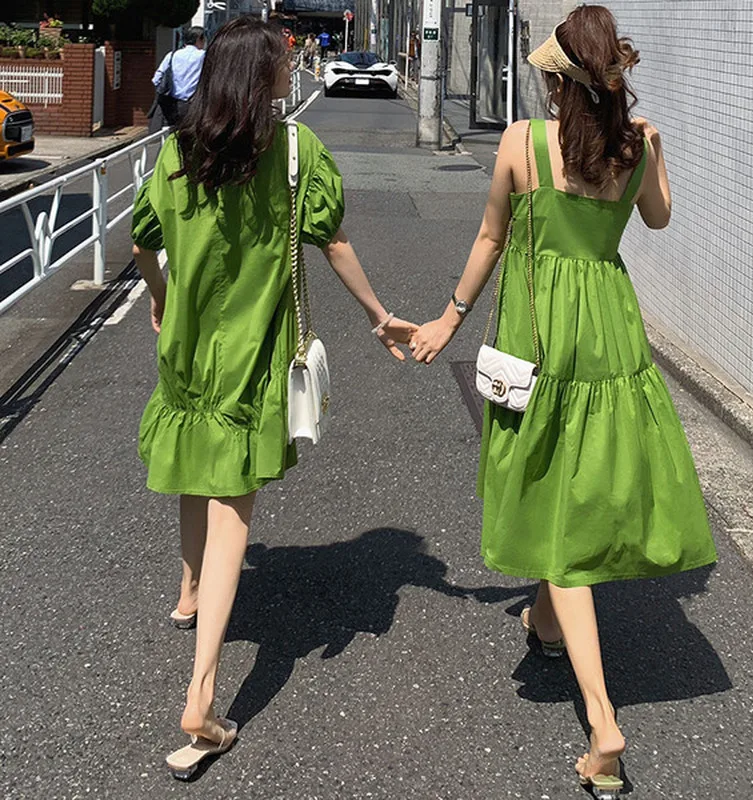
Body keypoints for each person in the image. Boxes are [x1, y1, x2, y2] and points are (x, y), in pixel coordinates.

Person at [409, 5, 717, 794]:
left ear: (560, 81)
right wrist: (656, 150)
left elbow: (490, 237)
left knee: (552, 486)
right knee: (576, 477)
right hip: (608, 328)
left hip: (539, 329)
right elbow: (658, 218)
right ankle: (544, 623)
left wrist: (449, 317)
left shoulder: (522, 143)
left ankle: (603, 719)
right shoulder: (634, 147)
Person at [131, 17, 415, 779]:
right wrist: (379, 315)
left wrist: (160, 297)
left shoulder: (176, 152)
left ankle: (187, 591)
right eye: (283, 64)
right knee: (233, 510)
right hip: (252, 357)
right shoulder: (293, 152)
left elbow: (142, 241)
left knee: (194, 465)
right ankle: (201, 697)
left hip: (188, 346)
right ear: (262, 77)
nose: (291, 72)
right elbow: (335, 240)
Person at [150, 26, 206, 128]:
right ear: (199, 39)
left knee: (171, 134)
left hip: (172, 105)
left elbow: (156, 79)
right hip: (194, 105)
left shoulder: (172, 55)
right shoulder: (203, 56)